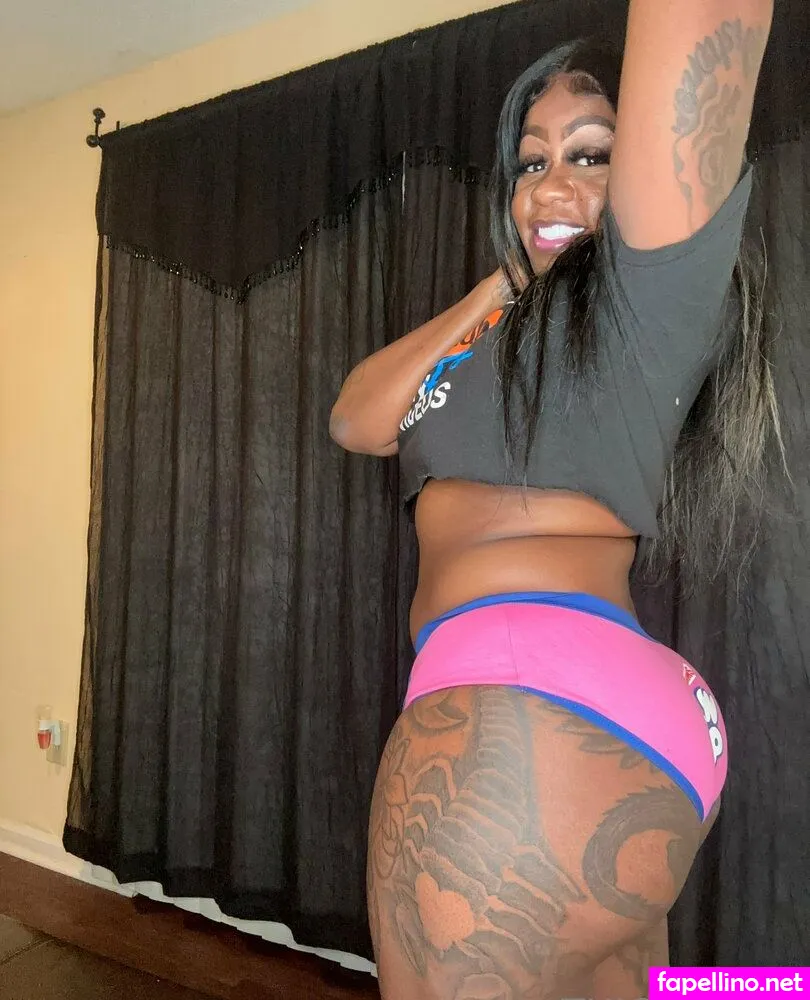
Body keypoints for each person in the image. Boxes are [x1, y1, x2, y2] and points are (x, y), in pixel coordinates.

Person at [331, 2, 779, 997]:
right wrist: (506, 278)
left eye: (590, 152)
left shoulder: (644, 298)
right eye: (530, 162)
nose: (551, 182)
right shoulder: (497, 334)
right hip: (612, 720)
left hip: (523, 712)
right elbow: (357, 418)